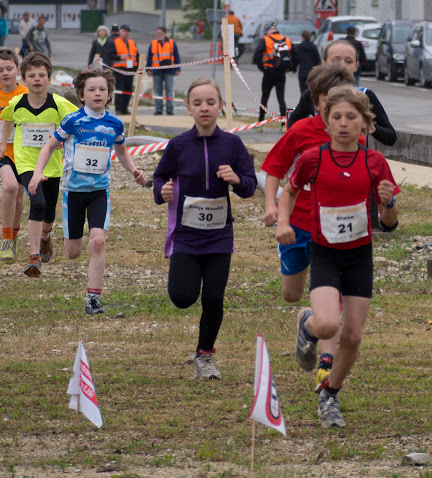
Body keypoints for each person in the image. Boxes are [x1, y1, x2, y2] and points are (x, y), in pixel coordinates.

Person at [276, 85, 400, 428]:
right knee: (329, 324)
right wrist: (283, 222)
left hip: (360, 255)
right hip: (326, 252)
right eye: (337, 117)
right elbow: (289, 192)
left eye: (352, 117)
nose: (344, 123)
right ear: (326, 122)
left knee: (353, 336)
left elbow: (389, 223)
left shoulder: (374, 162)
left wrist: (388, 203)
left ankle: (330, 394)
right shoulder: (312, 159)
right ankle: (307, 322)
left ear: (366, 123)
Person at [262, 63, 365, 389]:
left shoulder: (352, 132)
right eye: (324, 99)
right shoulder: (301, 131)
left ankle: (326, 361)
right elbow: (274, 169)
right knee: (292, 295)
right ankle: (306, 322)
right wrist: (273, 208)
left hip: (334, 231)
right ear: (315, 100)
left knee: (332, 307)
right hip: (297, 225)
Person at [153, 78, 257, 380]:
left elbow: (250, 186)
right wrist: (163, 192)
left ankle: (205, 355)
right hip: (186, 234)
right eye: (197, 103)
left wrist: (236, 180)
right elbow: (159, 179)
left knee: (213, 298)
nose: (205, 108)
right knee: (183, 297)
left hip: (220, 235)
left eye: (211, 102)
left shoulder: (233, 144)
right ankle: (188, 292)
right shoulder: (178, 145)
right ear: (188, 108)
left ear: (221, 106)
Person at [28, 69, 146, 314]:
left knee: (98, 241)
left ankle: (93, 299)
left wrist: (134, 170)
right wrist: (38, 172)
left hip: (99, 192)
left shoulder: (114, 123)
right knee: (73, 253)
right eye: (91, 90)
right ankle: (47, 238)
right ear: (81, 95)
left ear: (109, 94)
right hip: (73, 193)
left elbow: (122, 151)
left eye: (102, 89)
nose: (97, 93)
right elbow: (49, 145)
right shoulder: (73, 121)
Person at [0, 52, 78, 277]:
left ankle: (45, 237)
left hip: (51, 166)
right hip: (25, 164)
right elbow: (7, 119)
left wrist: (66, 141)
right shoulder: (17, 102)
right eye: (31, 75)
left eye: (41, 75)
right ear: (23, 79)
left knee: (49, 213)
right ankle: (33, 256)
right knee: (37, 202)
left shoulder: (60, 104)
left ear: (49, 79)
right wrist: (3, 144)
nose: (36, 79)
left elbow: (77, 123)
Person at [288, 39, 395, 147]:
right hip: (318, 160)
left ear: (356, 66)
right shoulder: (312, 95)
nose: (342, 65)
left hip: (354, 160)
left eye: (348, 61)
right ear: (324, 64)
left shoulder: (365, 96)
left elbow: (391, 137)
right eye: (336, 60)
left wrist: (373, 128)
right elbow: (293, 126)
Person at [0, 49, 28, 263]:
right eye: (0, 70)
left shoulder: (27, 94)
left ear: (18, 70)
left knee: (19, 196)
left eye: (9, 68)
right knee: (9, 186)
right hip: (3, 151)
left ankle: (14, 233)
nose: (5, 73)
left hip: (23, 151)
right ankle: (6, 238)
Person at [253, 26, 294, 121]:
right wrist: (290, 68)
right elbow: (295, 55)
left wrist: (261, 67)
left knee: (264, 97)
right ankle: (284, 123)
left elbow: (257, 54)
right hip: (281, 72)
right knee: (281, 98)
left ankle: (260, 122)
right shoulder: (286, 40)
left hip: (269, 71)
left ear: (269, 33)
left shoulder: (266, 40)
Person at [146, 26, 181, 116]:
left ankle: (169, 110)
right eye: (157, 33)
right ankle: (159, 110)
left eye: (160, 33)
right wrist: (148, 69)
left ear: (165, 34)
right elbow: (149, 57)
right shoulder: (153, 43)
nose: (158, 35)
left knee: (169, 90)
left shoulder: (172, 43)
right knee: (157, 91)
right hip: (157, 70)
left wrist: (177, 68)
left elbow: (177, 56)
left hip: (169, 70)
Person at [109, 24, 139, 115]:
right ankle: (118, 108)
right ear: (120, 32)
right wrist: (119, 57)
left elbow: (136, 55)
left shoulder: (132, 42)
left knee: (128, 90)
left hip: (130, 70)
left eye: (127, 31)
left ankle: (125, 108)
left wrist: (136, 67)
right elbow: (110, 55)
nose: (126, 33)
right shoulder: (114, 42)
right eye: (124, 31)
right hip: (119, 69)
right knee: (120, 89)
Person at [296, 30, 321, 94]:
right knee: (311, 90)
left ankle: (304, 103)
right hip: (312, 72)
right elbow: (317, 59)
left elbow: (296, 58)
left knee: (303, 90)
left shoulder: (300, 47)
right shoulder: (313, 47)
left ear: (302, 37)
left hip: (303, 71)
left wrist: (293, 68)